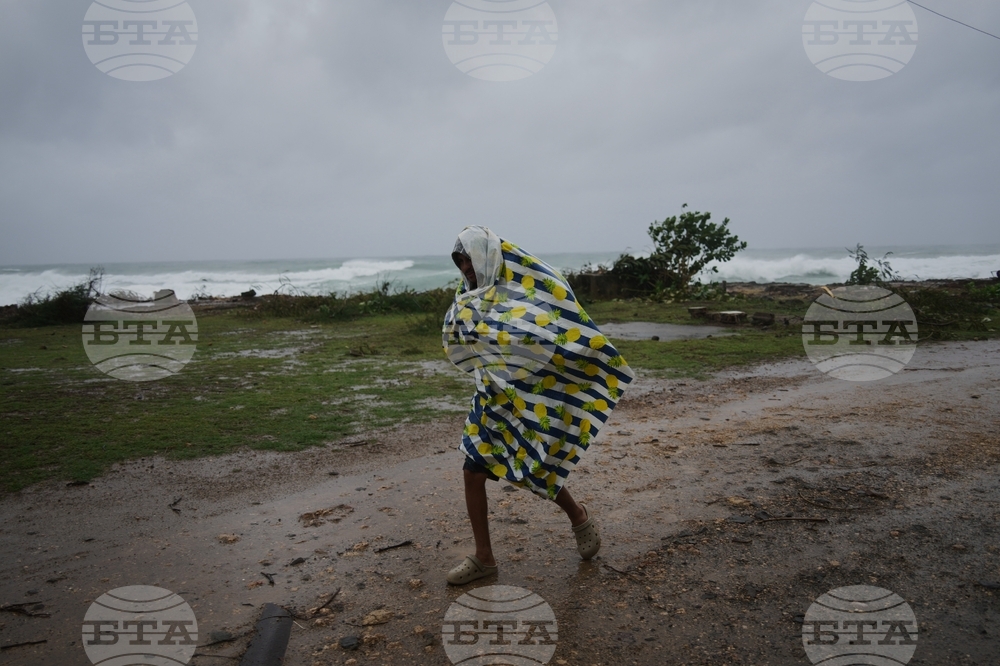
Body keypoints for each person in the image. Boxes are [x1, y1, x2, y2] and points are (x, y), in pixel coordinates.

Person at [442, 226, 635, 585]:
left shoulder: (525, 287)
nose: (466, 268)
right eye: (460, 262)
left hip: (528, 394)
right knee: (473, 470)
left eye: (470, 259)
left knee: (535, 463)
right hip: (490, 396)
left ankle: (578, 516)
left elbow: (555, 323)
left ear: (486, 255)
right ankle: (484, 558)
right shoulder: (468, 295)